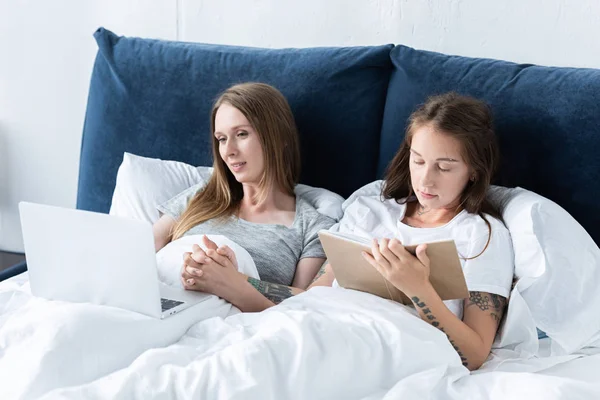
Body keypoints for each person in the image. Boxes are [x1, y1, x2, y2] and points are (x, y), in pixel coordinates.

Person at [310, 92, 514, 371]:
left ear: (474, 171)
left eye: (444, 167)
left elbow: (475, 355)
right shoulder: (370, 210)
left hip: (384, 350)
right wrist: (238, 284)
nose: (425, 180)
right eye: (418, 161)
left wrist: (418, 288)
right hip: (325, 329)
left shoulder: (481, 236)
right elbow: (311, 297)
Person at [152, 82, 335, 312]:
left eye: (241, 134)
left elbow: (301, 303)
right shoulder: (202, 196)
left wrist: (232, 281)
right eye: (221, 139)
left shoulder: (312, 227)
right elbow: (139, 251)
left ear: (279, 136)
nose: (229, 151)